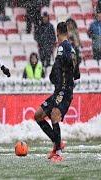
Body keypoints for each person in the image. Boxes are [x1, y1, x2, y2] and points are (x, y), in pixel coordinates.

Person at [34, 22, 80, 162]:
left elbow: (59, 64)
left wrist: (54, 77)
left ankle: (58, 152)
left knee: (54, 115)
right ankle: (57, 144)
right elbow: (76, 73)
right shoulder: (71, 49)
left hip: (64, 90)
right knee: (38, 115)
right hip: (60, 90)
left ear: (57, 33)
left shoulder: (62, 47)